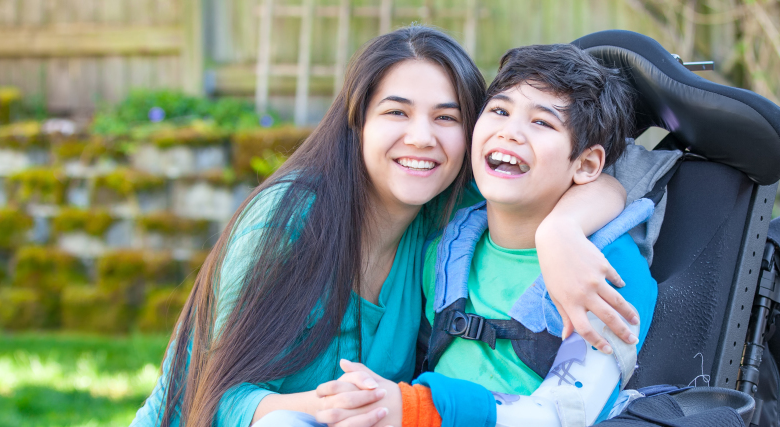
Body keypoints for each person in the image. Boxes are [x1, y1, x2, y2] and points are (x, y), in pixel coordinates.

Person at [130, 26, 642, 427]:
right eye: (397, 112)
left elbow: (598, 183)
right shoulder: (286, 221)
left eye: (446, 118)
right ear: (358, 122)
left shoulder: (451, 216)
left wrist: (561, 232)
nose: (421, 138)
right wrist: (346, 404)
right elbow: (208, 397)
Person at [300, 43, 657, 427]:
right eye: (500, 111)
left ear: (586, 164)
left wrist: (420, 407)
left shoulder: (609, 270)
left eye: (542, 123)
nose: (509, 132)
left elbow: (566, 412)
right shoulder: (446, 245)